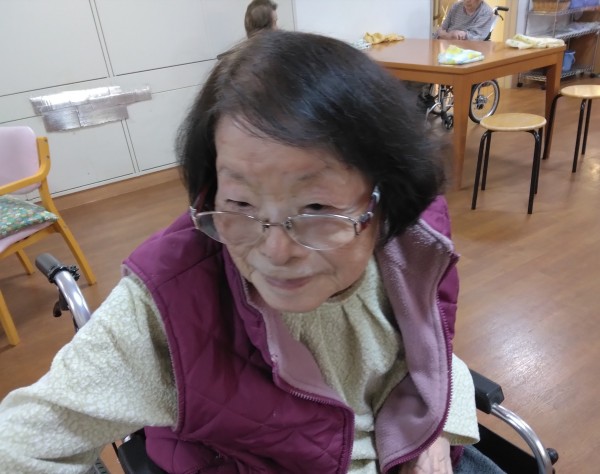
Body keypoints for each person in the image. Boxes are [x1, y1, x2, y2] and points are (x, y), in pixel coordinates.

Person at [0, 31, 480, 473]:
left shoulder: (412, 248)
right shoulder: (169, 306)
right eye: (241, 204)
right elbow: (16, 447)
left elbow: (428, 350)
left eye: (316, 207)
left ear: (384, 198)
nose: (275, 251)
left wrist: (438, 430)